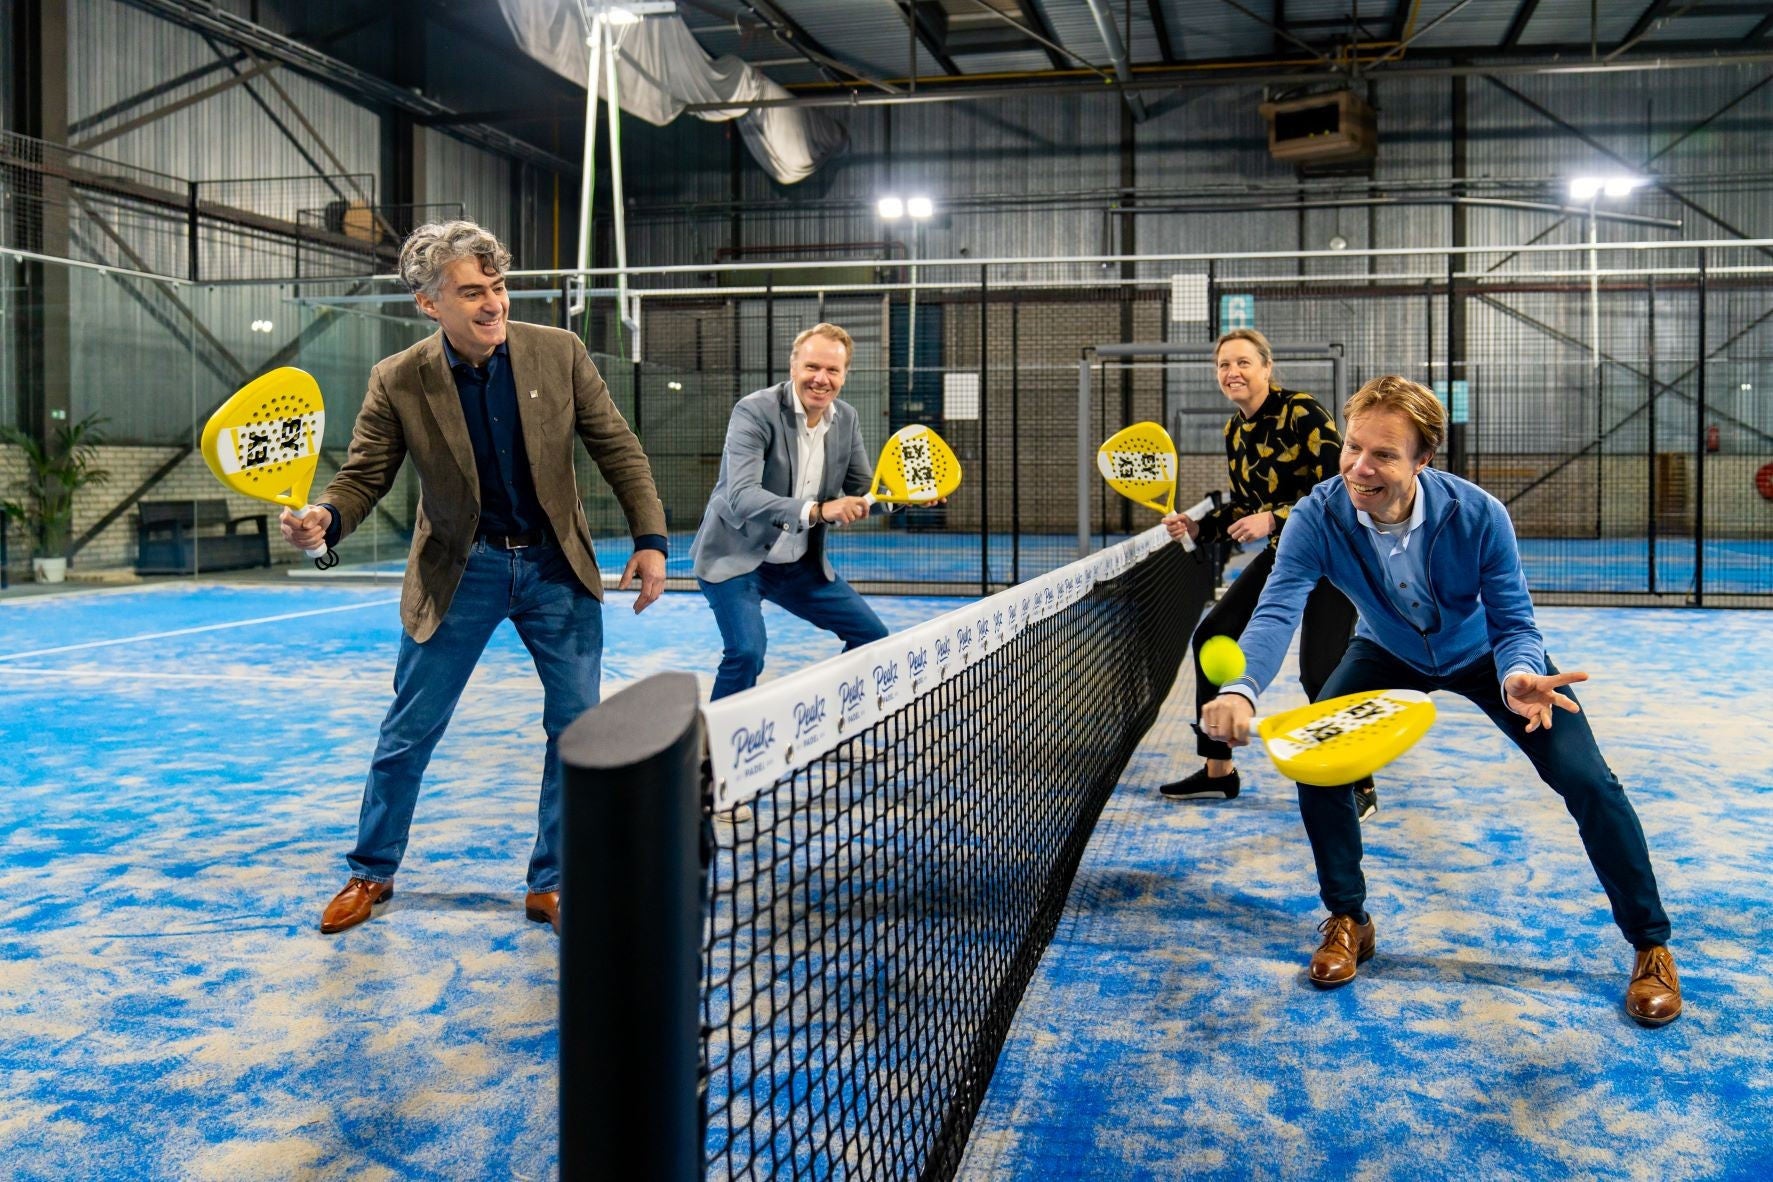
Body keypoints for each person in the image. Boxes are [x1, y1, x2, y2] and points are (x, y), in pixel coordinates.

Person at [1200, 374, 1680, 1024]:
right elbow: (1277, 607)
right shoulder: (1316, 514)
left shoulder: (1479, 515)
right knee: (1317, 763)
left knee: (1588, 781)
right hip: (1384, 652)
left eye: (1383, 455)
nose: (1359, 468)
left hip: (1485, 657)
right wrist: (1240, 690)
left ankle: (1649, 945)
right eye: (1353, 448)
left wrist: (1517, 676)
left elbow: (1513, 622)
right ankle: (1347, 918)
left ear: (1423, 460)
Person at [280, 220, 668, 937]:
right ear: (430, 305)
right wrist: (324, 522)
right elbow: (363, 474)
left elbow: (617, 444)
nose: (493, 304)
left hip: (557, 567)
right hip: (461, 571)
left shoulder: (560, 352)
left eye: (497, 287)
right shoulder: (398, 378)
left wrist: (649, 538)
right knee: (409, 730)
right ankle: (371, 872)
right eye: (471, 292)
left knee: (575, 730)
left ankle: (552, 882)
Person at [1159, 329, 1375, 821]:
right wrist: (1199, 525)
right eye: (1223, 365)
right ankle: (1219, 771)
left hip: (1333, 554)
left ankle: (1357, 778)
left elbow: (1340, 486)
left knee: (1322, 669)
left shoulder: (1302, 411)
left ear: (1265, 368)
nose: (1232, 372)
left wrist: (1275, 517)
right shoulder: (1235, 431)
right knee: (1213, 633)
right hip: (1284, 553)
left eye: (1242, 363)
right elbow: (1244, 506)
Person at [691, 322, 890, 700]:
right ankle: (710, 753)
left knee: (872, 638)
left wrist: (905, 498)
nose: (821, 379)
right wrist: (818, 510)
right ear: (793, 367)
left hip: (798, 565)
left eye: (832, 370)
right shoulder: (754, 411)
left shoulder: (846, 418)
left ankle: (823, 715)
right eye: (812, 367)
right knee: (746, 653)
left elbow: (865, 492)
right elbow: (742, 497)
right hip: (734, 557)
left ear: (845, 375)